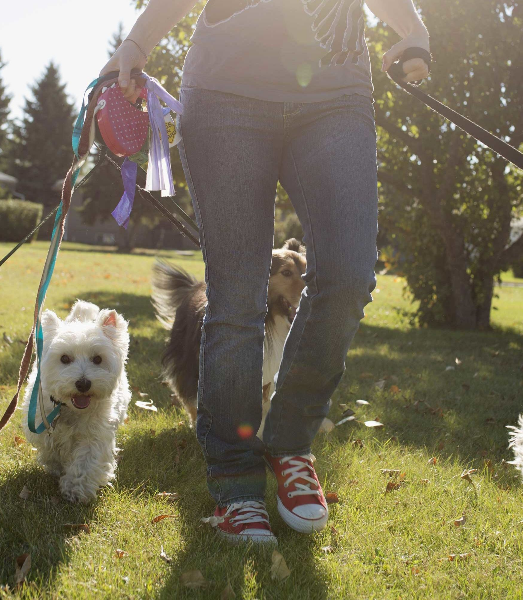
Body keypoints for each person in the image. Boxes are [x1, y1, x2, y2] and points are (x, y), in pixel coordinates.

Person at [103, 0, 430, 544]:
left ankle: (290, 441)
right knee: (236, 297)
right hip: (224, 93)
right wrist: (136, 46)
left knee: (349, 275)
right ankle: (235, 483)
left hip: (336, 95)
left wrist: (415, 30)